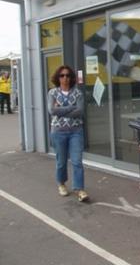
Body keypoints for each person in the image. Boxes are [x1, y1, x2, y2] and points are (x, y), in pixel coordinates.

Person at [47, 65, 89, 202]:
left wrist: (61, 109)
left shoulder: (78, 93)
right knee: (61, 162)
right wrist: (72, 108)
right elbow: (52, 111)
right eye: (62, 75)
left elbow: (80, 111)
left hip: (75, 132)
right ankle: (61, 183)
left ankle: (80, 189)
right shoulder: (52, 93)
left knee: (77, 161)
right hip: (58, 133)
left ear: (71, 78)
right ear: (58, 78)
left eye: (68, 75)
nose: (65, 78)